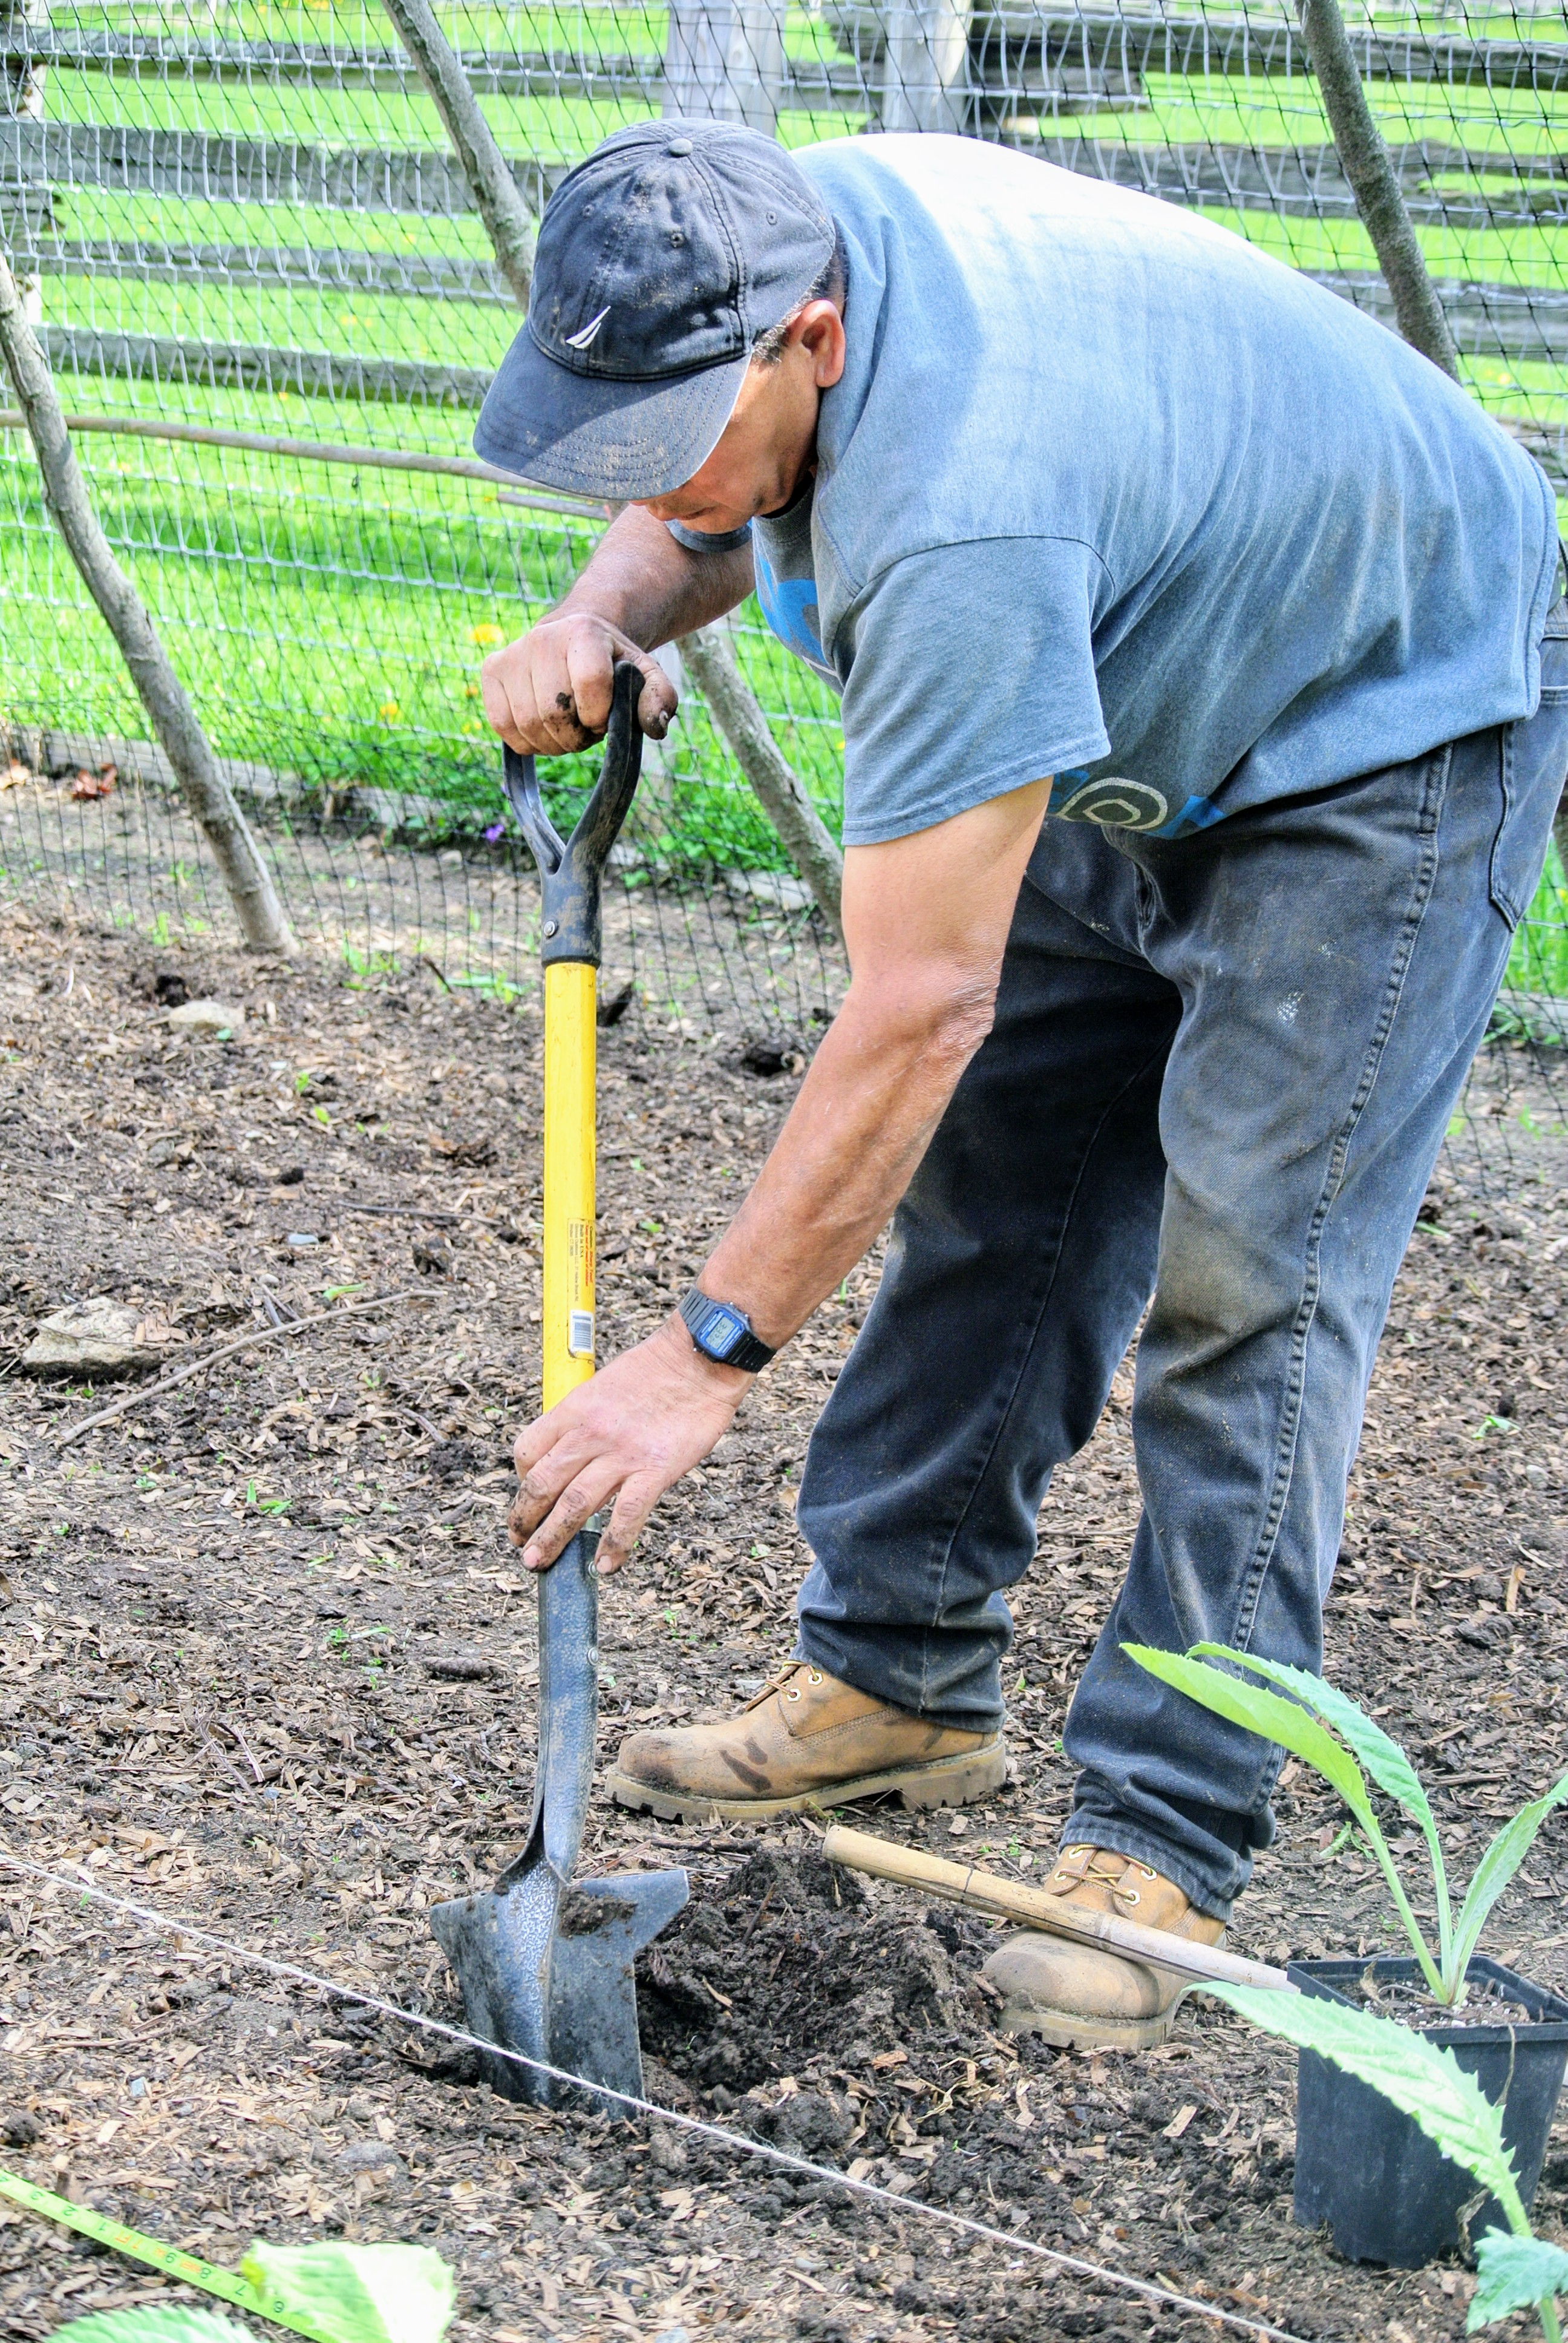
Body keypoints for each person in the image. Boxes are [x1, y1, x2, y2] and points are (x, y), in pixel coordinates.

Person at [475, 120, 1568, 2051]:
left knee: (1253, 1280)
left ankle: (1165, 1840)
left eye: (666, 439)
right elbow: (700, 502)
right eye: (600, 438)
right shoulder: (744, 234)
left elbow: (912, 1008)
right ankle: (895, 1688)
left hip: (1388, 706)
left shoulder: (960, 513)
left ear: (808, 341)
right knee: (1000, 1191)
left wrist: (702, 1353)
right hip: (1139, 646)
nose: (644, 480)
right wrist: (605, 609)